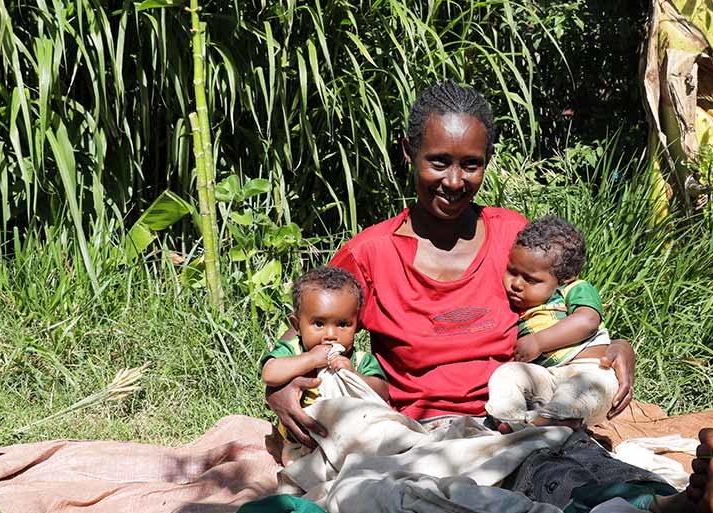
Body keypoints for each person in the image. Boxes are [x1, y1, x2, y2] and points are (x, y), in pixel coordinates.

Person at [265, 81, 635, 444]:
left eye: (471, 165)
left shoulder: (514, 240)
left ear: (487, 160)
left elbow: (560, 310)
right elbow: (312, 321)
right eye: (439, 162)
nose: (454, 181)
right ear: (409, 152)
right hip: (418, 433)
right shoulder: (372, 254)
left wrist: (612, 348)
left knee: (591, 486)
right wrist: (279, 387)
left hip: (520, 421)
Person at [485, 215, 619, 429]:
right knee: (507, 374)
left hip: (589, 371)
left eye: (531, 279)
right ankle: (512, 420)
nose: (516, 284)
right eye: (512, 272)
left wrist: (538, 342)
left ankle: (556, 421)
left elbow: (588, 320)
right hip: (546, 377)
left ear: (565, 278)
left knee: (576, 391)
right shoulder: (519, 306)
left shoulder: (574, 289)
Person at [260, 266, 389, 464]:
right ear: (297, 325)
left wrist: (354, 375)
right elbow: (269, 373)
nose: (330, 334)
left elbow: (382, 392)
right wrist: (311, 359)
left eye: (343, 324)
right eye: (319, 324)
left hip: (349, 442)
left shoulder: (359, 359)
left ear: (357, 326)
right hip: (300, 444)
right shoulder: (294, 350)